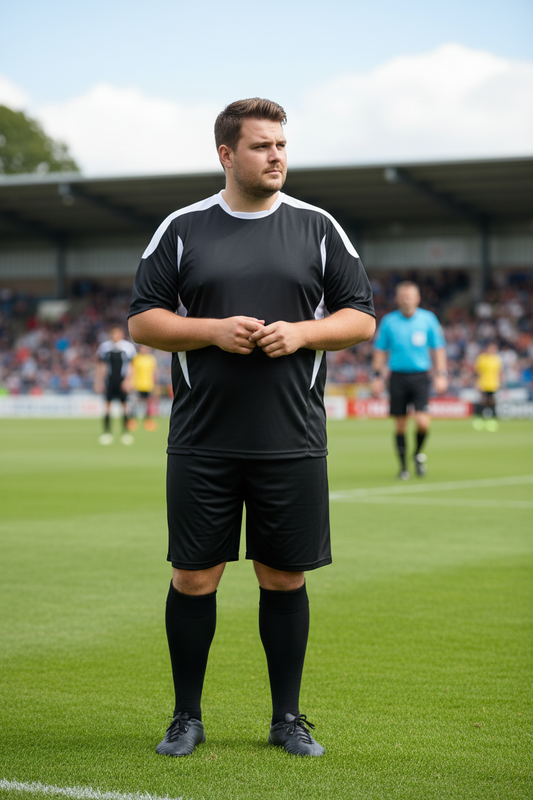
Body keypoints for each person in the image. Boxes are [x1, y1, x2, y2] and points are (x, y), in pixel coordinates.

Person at [128, 98, 375, 758]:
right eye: (262, 145)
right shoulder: (182, 229)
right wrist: (210, 330)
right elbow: (142, 321)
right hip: (202, 439)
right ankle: (186, 716)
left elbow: (359, 317)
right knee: (193, 578)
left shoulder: (318, 228)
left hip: (290, 439)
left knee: (283, 577)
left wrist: (302, 333)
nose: (276, 156)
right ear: (226, 154)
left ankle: (287, 718)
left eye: (282, 145)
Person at [371, 281, 447, 479]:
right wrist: (377, 376)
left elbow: (438, 348)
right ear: (397, 299)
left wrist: (442, 374)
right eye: (403, 296)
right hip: (397, 377)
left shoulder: (428, 319)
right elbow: (380, 350)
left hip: (420, 376)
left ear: (418, 298)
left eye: (410, 296)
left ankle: (417, 454)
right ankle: (403, 467)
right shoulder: (389, 321)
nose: (407, 299)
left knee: (423, 423)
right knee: (400, 424)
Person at [94, 326, 136, 445]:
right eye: (113, 334)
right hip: (109, 380)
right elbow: (100, 365)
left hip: (122, 380)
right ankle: (107, 433)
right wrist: (99, 381)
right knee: (107, 407)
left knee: (125, 407)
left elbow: (132, 366)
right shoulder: (104, 347)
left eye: (118, 334)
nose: (115, 336)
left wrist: (129, 380)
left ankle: (126, 433)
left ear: (122, 335)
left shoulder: (128, 347)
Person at [473, 341, 502, 431]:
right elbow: (477, 372)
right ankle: (479, 420)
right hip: (483, 383)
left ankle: (492, 421)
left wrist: (499, 382)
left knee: (492, 402)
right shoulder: (482, 358)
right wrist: (477, 383)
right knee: (483, 401)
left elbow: (498, 372)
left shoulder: (497, 359)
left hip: (493, 384)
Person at [130, 344, 159, 430]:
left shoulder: (151, 359)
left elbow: (154, 373)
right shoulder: (136, 358)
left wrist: (155, 385)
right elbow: (132, 371)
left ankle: (148, 422)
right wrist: (131, 383)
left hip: (148, 385)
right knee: (135, 404)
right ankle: (132, 421)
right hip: (138, 384)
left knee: (148, 404)